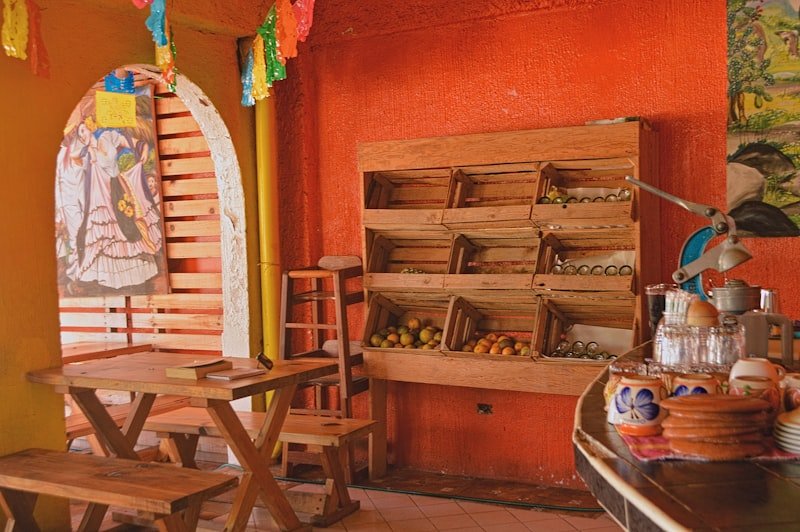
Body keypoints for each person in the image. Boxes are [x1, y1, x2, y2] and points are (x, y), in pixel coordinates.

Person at [76, 116, 162, 290]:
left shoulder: (108, 136)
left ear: (90, 126)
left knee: (129, 225)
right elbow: (76, 162)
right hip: (101, 194)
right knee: (107, 234)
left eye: (83, 131)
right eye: (79, 135)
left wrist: (144, 149)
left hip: (117, 186)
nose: (82, 136)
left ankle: (137, 273)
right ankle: (112, 280)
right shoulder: (88, 153)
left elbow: (131, 142)